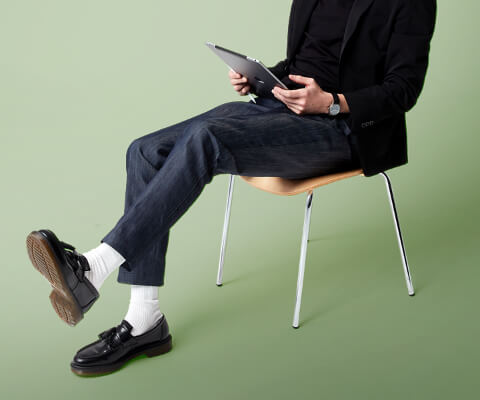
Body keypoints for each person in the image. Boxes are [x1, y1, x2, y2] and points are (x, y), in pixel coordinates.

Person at [26, 0, 437, 376]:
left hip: (341, 130)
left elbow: (404, 89)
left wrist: (330, 102)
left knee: (207, 137)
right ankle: (144, 319)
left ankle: (94, 266)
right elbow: (302, 63)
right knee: (145, 151)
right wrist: (259, 80)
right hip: (280, 111)